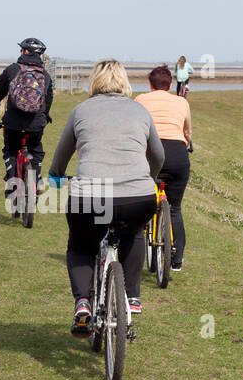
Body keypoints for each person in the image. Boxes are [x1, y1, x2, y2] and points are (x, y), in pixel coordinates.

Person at [48, 59, 164, 334]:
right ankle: (133, 297)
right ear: (124, 82)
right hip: (138, 197)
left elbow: (62, 153)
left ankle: (83, 304)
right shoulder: (140, 110)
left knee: (80, 247)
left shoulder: (81, 111)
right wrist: (152, 177)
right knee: (134, 233)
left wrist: (55, 176)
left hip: (90, 197)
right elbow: (158, 155)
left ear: (94, 82)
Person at [136, 64, 192, 271]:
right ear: (170, 85)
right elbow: (187, 131)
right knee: (175, 208)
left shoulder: (141, 99)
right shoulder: (181, 101)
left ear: (150, 84)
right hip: (177, 153)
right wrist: (188, 143)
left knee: (141, 201)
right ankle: (177, 260)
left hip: (151, 153)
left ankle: (139, 239)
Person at [0, 37, 54, 200]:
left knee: (10, 149)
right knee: (36, 150)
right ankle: (37, 181)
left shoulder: (13, 69)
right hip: (35, 124)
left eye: (21, 49)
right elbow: (48, 97)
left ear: (26, 51)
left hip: (13, 122)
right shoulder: (45, 75)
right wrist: (45, 115)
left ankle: (12, 179)